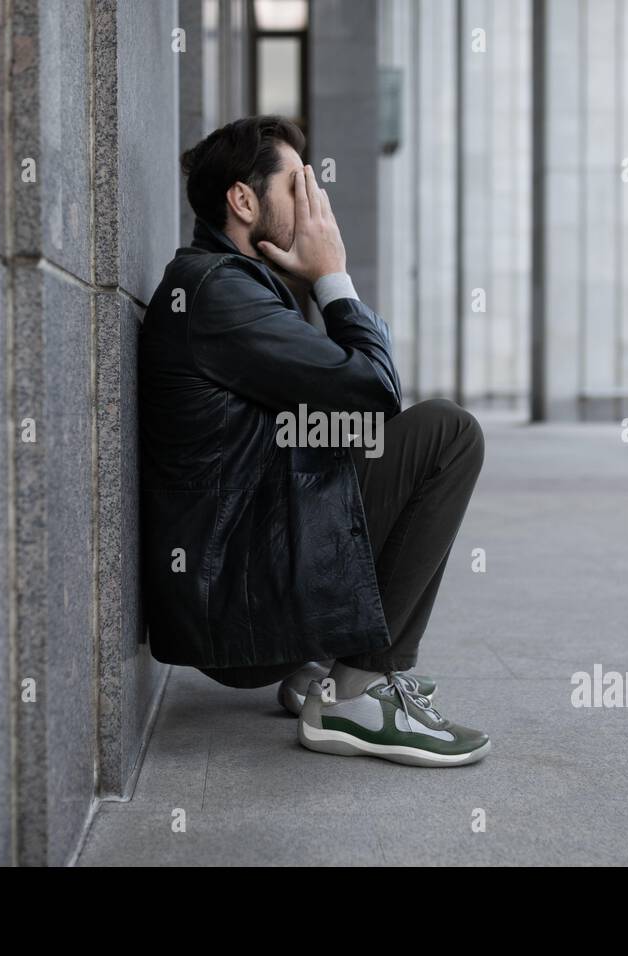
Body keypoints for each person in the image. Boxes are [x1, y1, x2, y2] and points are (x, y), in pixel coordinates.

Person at [138, 115, 488, 767]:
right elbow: (376, 391)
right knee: (447, 434)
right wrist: (333, 278)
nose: (316, 206)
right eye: (299, 187)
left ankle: (321, 673)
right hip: (233, 614)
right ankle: (351, 697)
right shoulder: (219, 294)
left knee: (364, 439)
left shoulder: (228, 283)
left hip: (234, 594)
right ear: (244, 201)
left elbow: (350, 417)